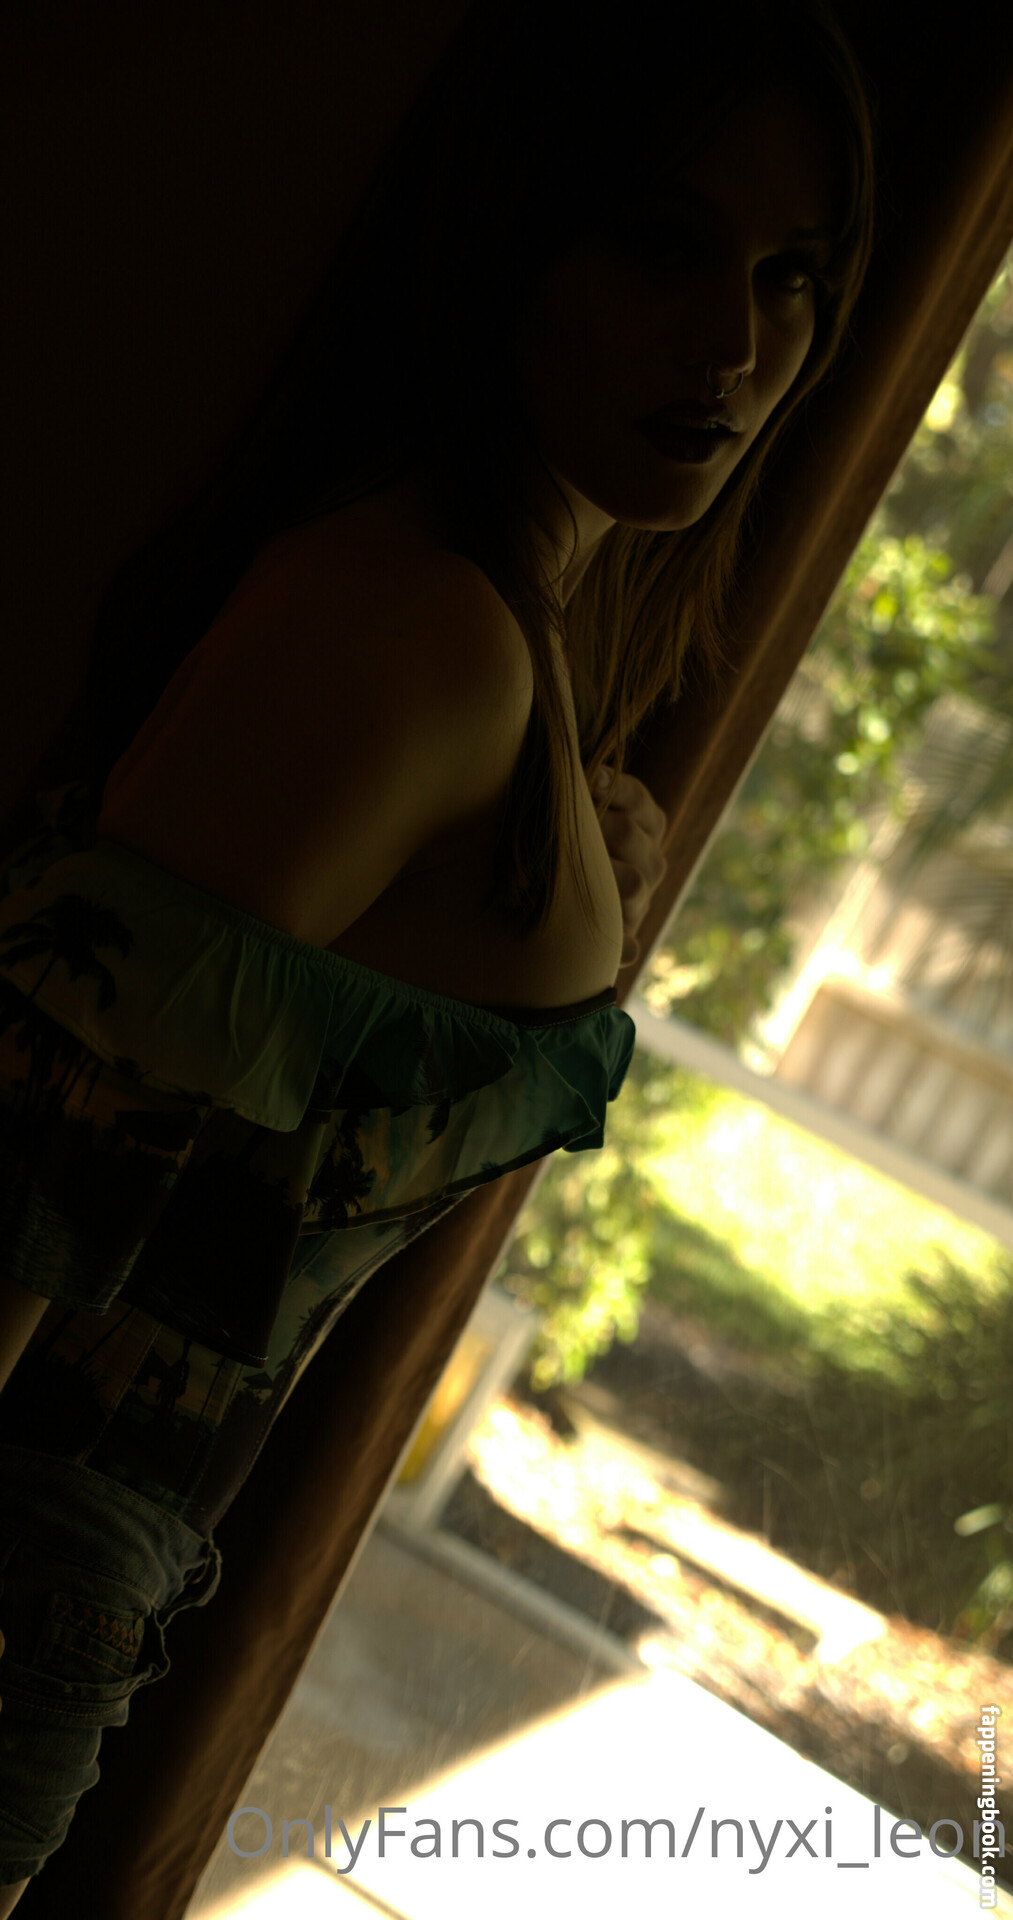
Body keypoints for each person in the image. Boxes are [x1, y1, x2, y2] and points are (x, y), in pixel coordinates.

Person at [0, 0, 875, 1902]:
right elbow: (34, 1167)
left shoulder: (497, 635)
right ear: (508, 236)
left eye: (792, 275)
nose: (736, 346)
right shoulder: (416, 629)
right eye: (660, 244)